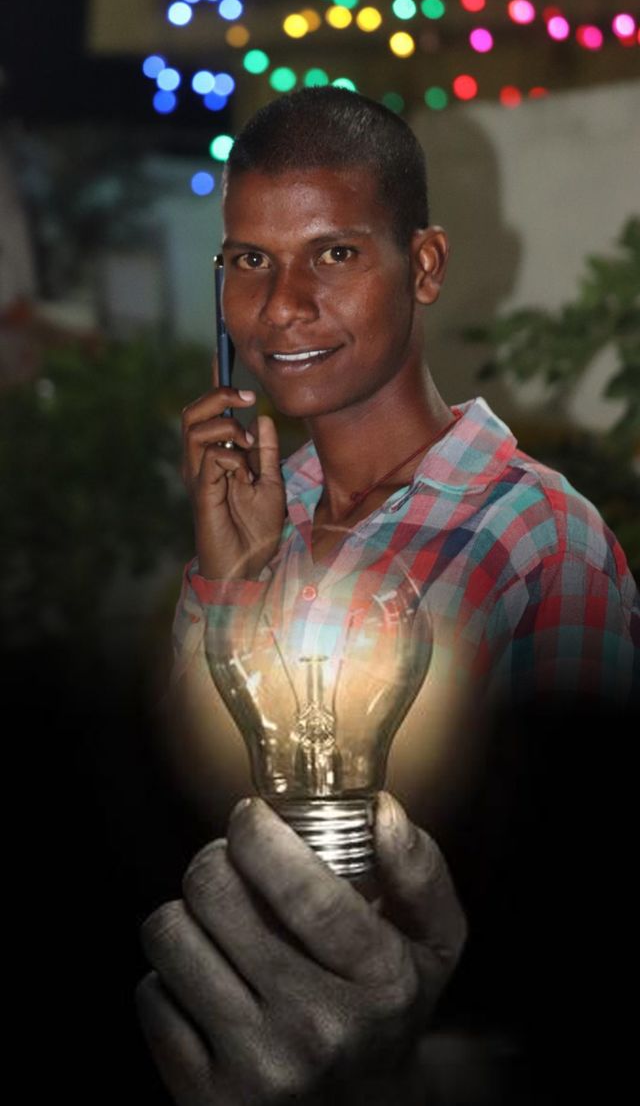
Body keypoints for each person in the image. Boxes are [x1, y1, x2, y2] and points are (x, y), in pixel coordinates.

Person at [137, 88, 639, 1105]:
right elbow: (183, 817)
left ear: (425, 266)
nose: (281, 305)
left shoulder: (539, 539)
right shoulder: (263, 516)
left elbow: (585, 922)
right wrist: (228, 579)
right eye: (249, 260)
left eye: (332, 253)